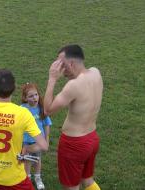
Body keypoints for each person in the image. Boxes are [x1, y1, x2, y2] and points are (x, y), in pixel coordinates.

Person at [44, 45, 103, 190]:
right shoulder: (96, 72)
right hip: (92, 138)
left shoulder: (74, 85)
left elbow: (47, 110)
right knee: (87, 180)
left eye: (62, 65)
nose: (60, 70)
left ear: (71, 64)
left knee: (71, 187)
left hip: (74, 144)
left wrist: (52, 79)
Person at [21, 83, 52, 190]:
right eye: (31, 96)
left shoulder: (41, 109)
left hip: (38, 141)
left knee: (37, 160)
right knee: (27, 160)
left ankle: (38, 178)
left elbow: (46, 124)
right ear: (25, 98)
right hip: (26, 140)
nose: (35, 98)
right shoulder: (22, 109)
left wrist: (46, 139)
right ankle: (27, 178)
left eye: (36, 95)